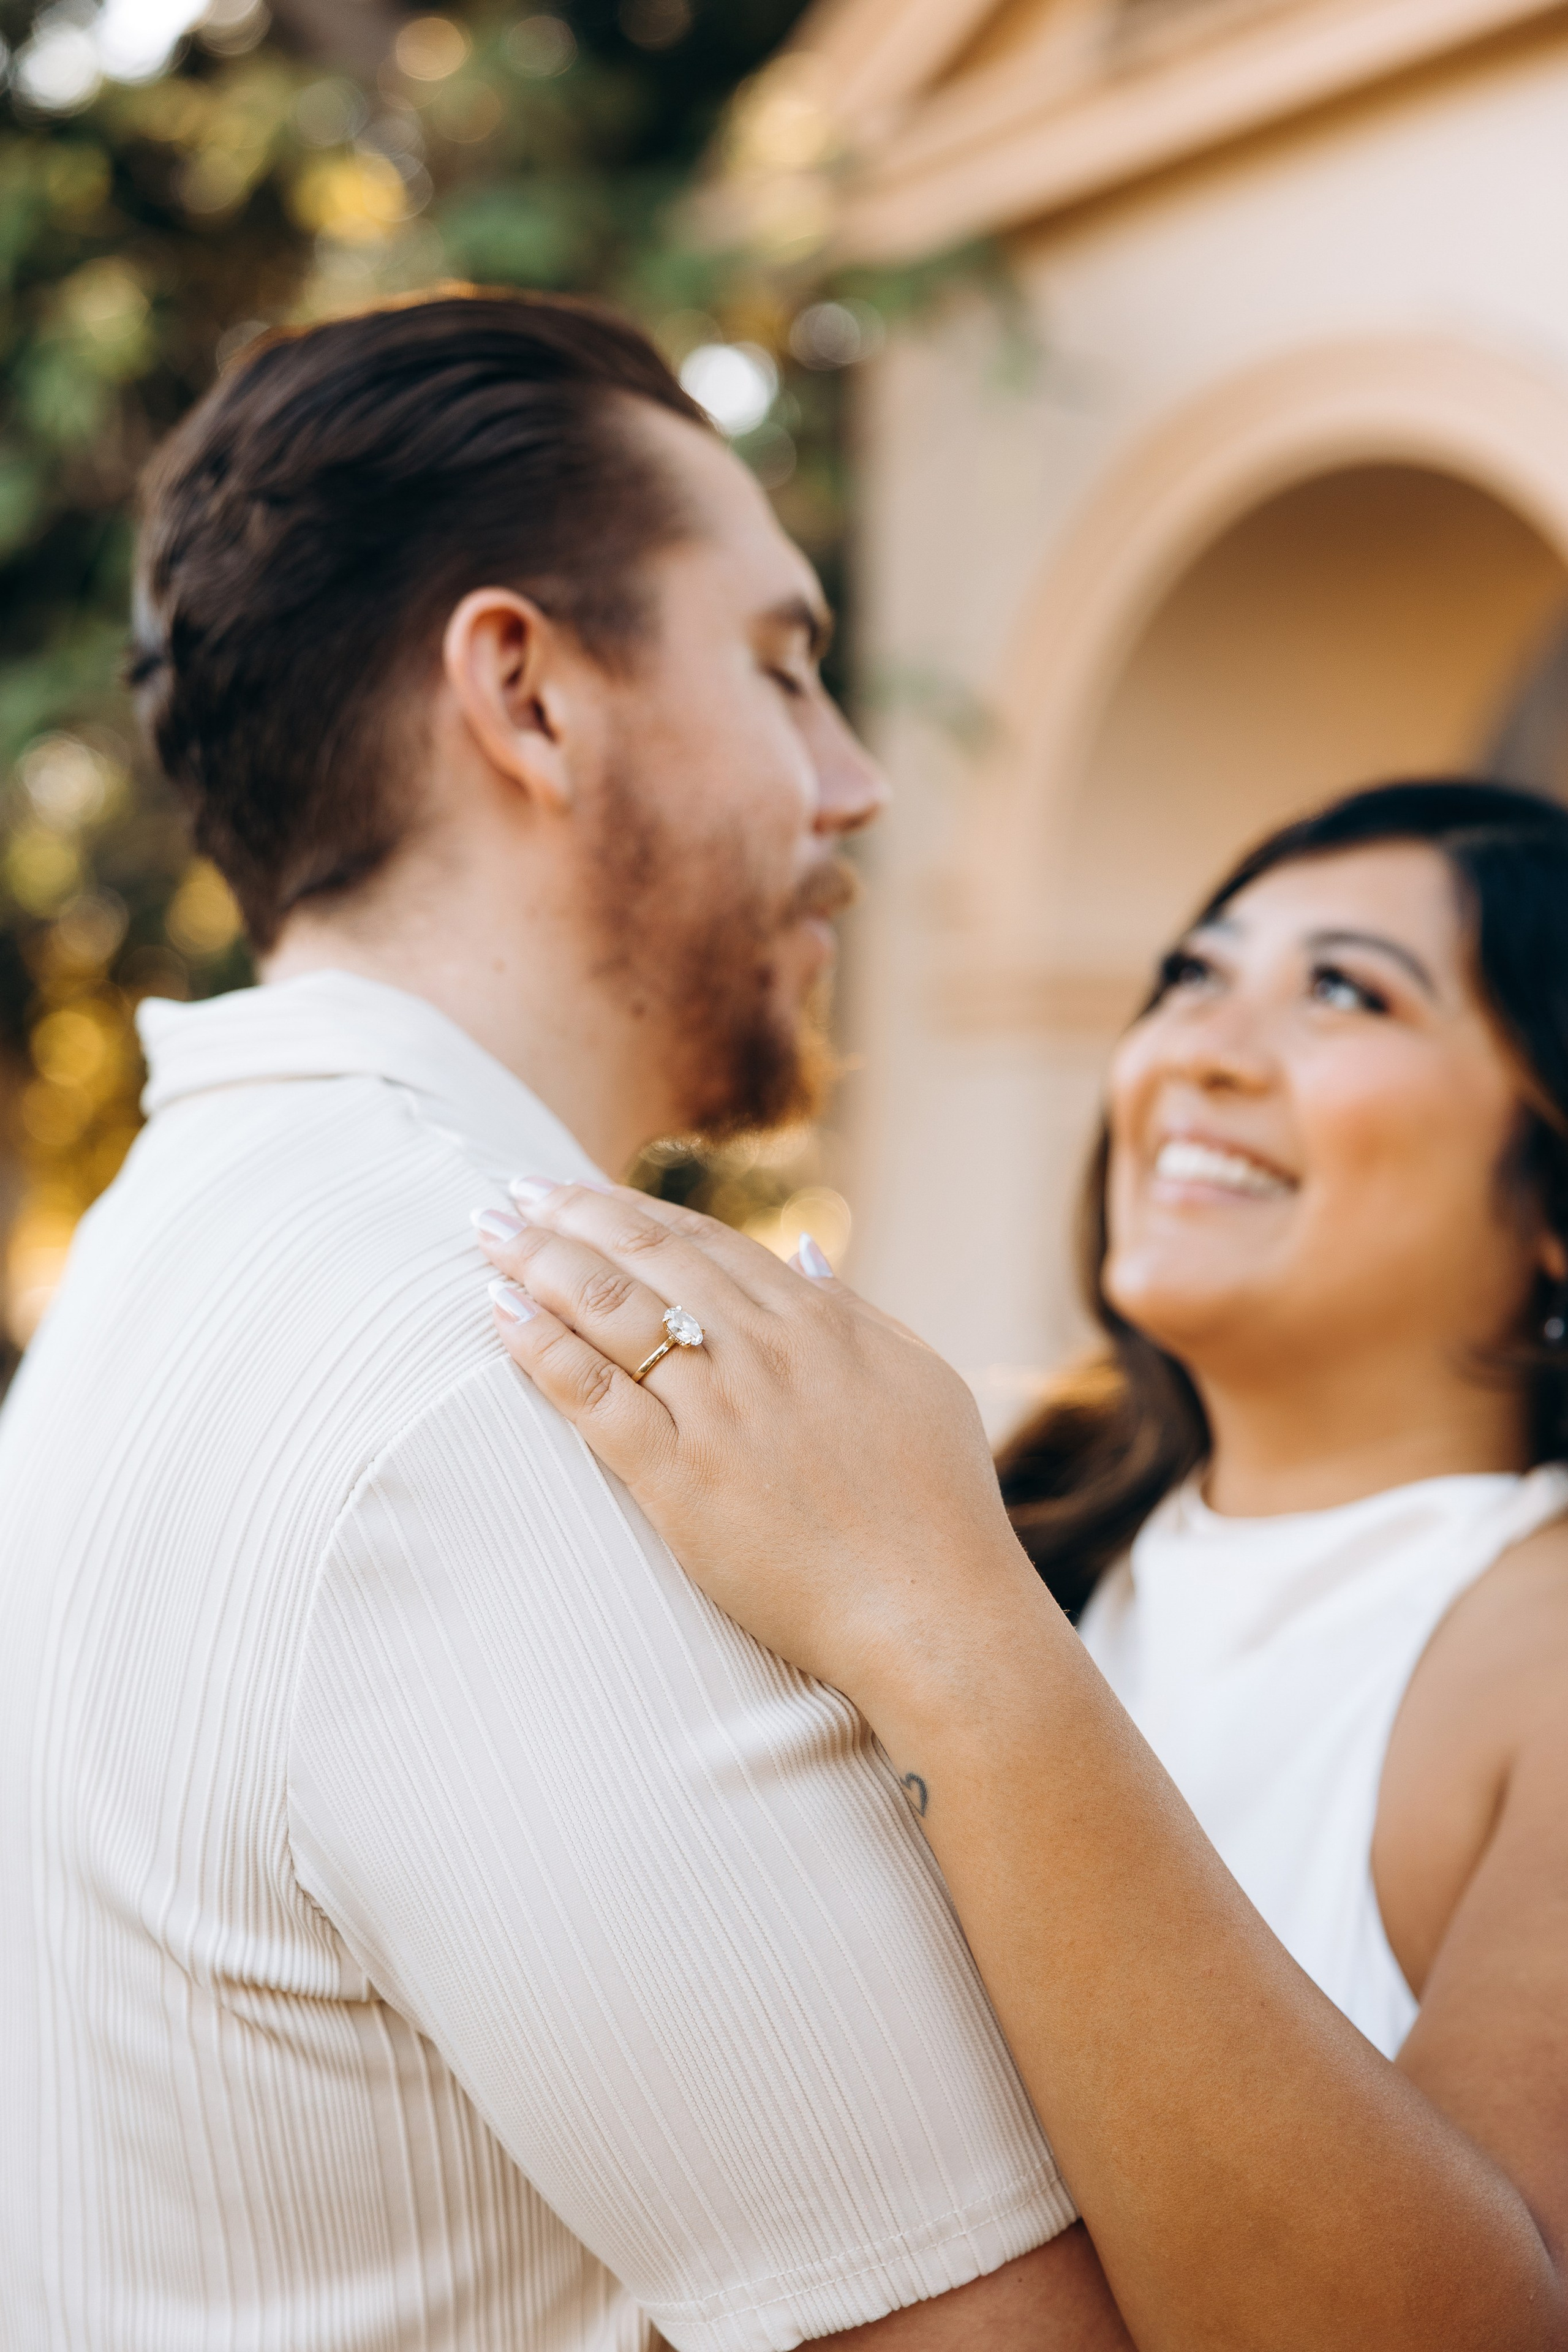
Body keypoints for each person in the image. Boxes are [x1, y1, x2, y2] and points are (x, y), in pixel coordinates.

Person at [0, 291, 1133, 2350]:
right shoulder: (520, 1373)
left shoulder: (180, 1244)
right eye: (786, 669)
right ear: (526, 693)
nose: (857, 782)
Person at [477, 778, 1568, 2352]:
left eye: (1344, 990)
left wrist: (938, 1627)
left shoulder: (1526, 1651)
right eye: (1191, 975)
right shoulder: (1006, 1531)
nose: (1191, 1049)